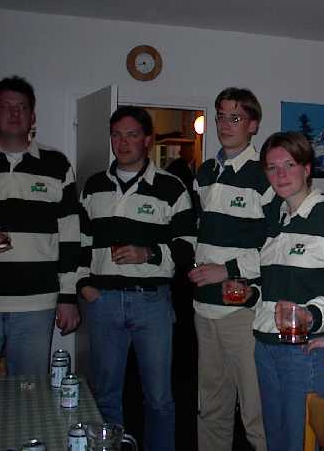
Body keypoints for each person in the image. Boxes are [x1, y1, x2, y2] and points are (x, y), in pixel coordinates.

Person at [78, 106, 196, 451]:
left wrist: (149, 254)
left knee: (159, 397)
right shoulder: (94, 186)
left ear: (147, 140)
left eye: (131, 135)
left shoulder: (171, 187)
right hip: (103, 301)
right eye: (116, 135)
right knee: (105, 395)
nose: (123, 142)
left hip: (151, 302)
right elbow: (78, 242)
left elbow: (188, 247)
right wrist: (83, 285)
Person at [250, 132, 324, 451]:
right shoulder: (273, 218)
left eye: (289, 165)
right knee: (275, 441)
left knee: (301, 443)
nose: (280, 174)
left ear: (307, 168)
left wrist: (317, 319)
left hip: (304, 352)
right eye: (272, 167)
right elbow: (273, 284)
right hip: (265, 346)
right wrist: (249, 292)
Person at [188, 87, 271, 451]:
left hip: (242, 312)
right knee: (211, 408)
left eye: (235, 117)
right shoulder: (204, 172)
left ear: (253, 125)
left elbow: (275, 245)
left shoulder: (264, 175)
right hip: (203, 308)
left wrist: (227, 270)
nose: (224, 124)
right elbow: (197, 232)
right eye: (221, 116)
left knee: (255, 412)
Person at [0, 76, 80, 377]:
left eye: (22, 107)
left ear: (33, 116)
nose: (14, 113)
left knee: (29, 392)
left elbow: (70, 236)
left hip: (37, 302)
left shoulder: (57, 164)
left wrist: (68, 297)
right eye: (6, 107)